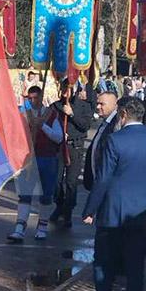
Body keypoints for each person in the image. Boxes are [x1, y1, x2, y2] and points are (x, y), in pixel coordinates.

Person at [83, 96, 146, 291]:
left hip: (111, 216)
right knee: (135, 272)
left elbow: (104, 179)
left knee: (102, 267)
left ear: (122, 115)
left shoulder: (115, 140)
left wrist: (90, 209)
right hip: (140, 218)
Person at [7, 85, 63, 242]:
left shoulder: (51, 115)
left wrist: (43, 126)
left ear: (41, 96)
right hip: (28, 159)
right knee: (25, 194)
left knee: (46, 195)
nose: (32, 101)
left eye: (35, 98)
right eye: (29, 98)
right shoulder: (24, 115)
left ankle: (42, 227)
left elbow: (58, 137)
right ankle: (19, 228)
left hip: (47, 158)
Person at [50, 78, 94, 228]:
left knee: (71, 182)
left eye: (68, 89)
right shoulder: (55, 106)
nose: (65, 92)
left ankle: (67, 211)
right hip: (58, 148)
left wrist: (72, 114)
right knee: (56, 181)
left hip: (75, 147)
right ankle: (59, 204)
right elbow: (47, 123)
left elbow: (85, 125)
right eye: (64, 89)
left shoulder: (83, 106)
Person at [83, 91, 118, 193]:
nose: (98, 107)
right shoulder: (105, 122)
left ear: (114, 105)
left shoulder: (116, 124)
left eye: (102, 104)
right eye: (97, 103)